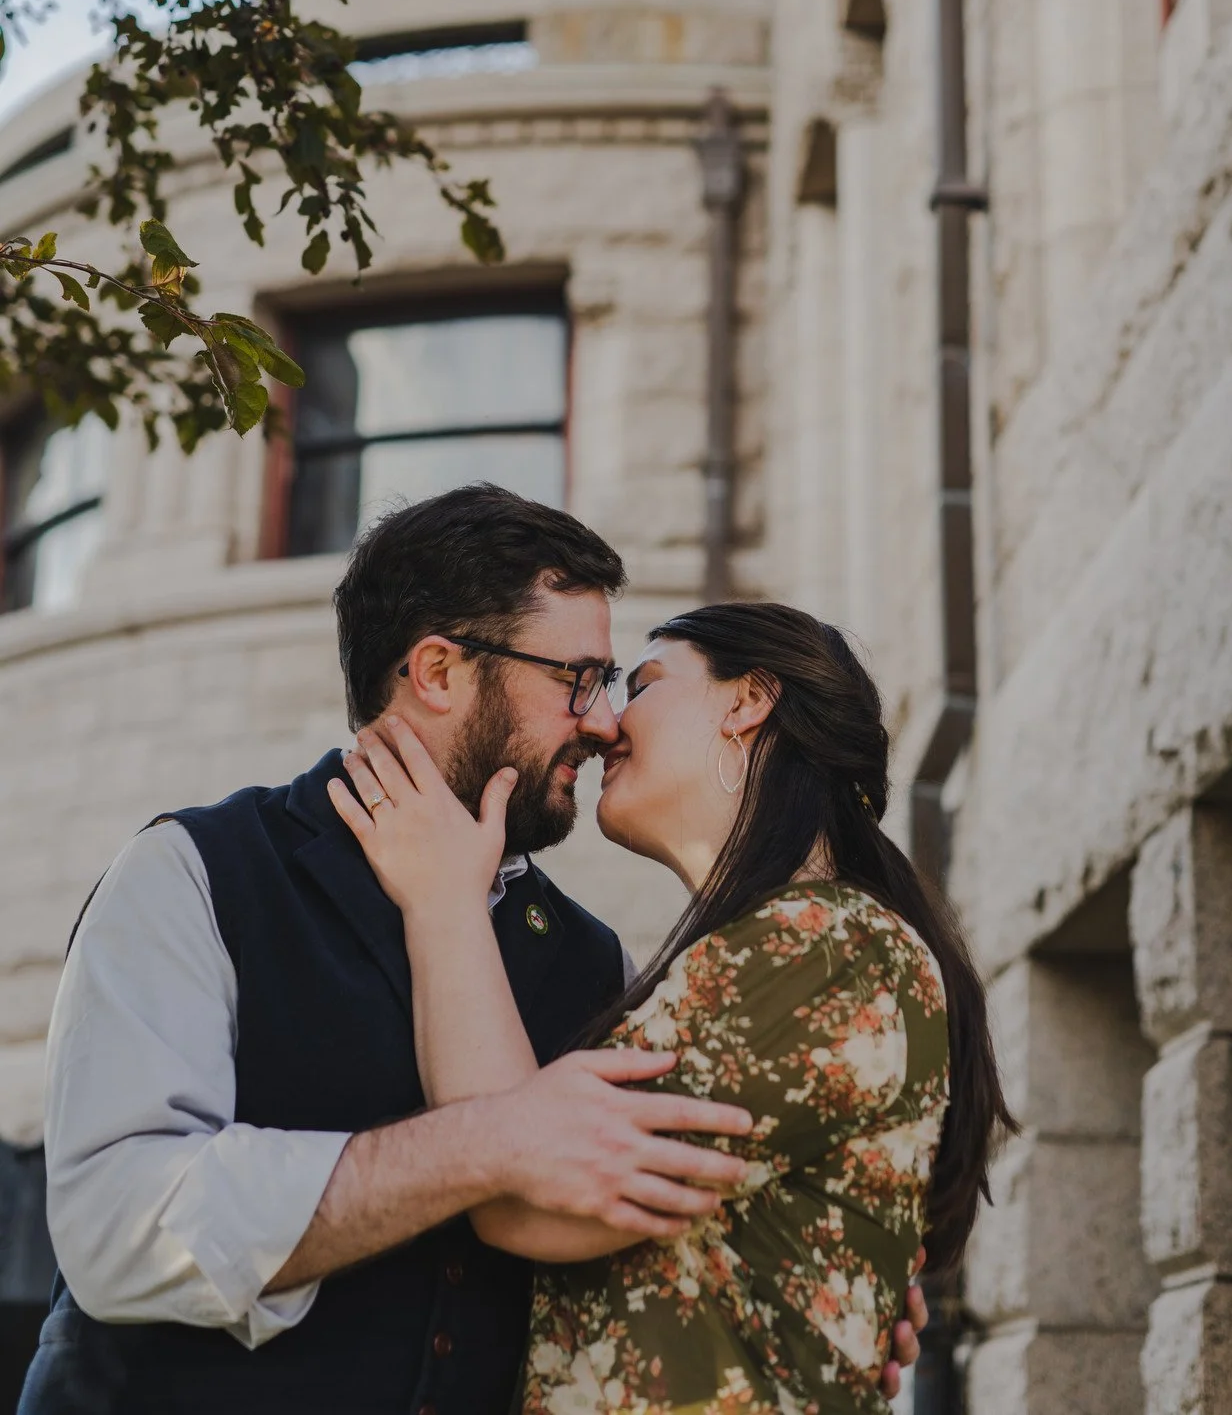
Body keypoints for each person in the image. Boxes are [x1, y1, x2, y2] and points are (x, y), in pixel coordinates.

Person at [19, 487, 926, 1415]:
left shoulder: (595, 962)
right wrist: (476, 1148)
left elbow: (625, 1232)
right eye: (576, 678)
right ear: (440, 671)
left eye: (616, 684)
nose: (603, 720)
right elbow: (118, 1229)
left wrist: (798, 1264)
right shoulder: (193, 875)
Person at [334, 597, 1014, 1413]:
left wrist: (443, 901)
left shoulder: (823, 949)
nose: (607, 723)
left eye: (642, 684)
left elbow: (528, 1198)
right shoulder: (782, 949)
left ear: (748, 701)